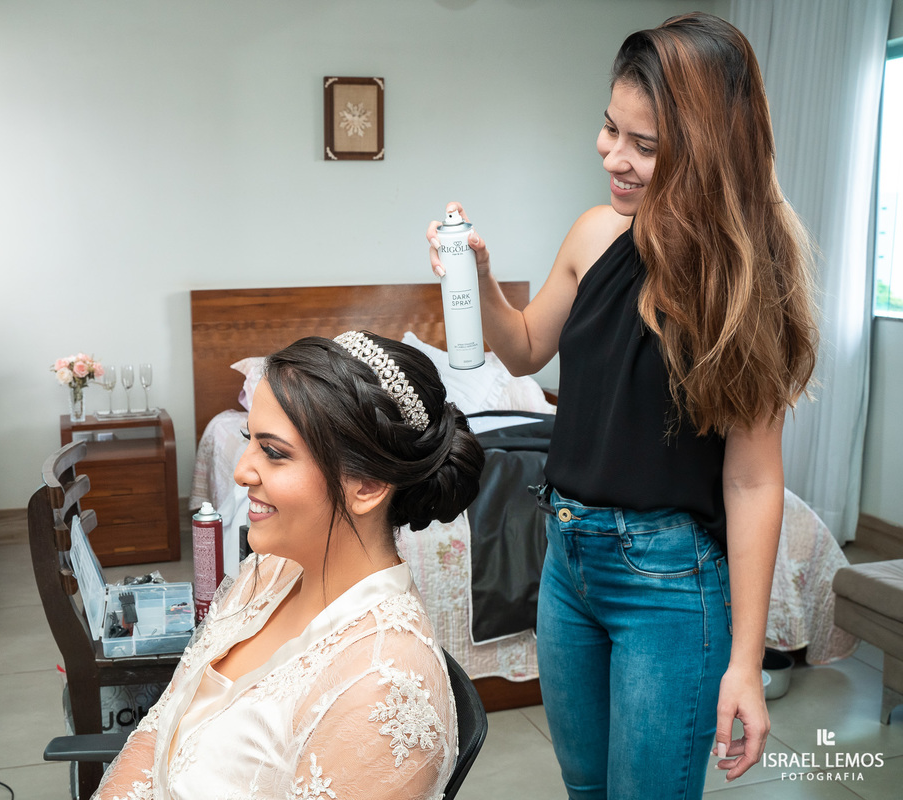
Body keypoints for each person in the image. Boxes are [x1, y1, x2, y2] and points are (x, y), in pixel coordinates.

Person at [425, 12, 816, 800]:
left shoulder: (745, 288)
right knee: (586, 790)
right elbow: (528, 349)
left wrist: (745, 662)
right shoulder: (595, 233)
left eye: (645, 145)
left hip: (671, 585)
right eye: (611, 129)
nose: (613, 155)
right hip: (567, 562)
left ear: (706, 155)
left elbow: (752, 481)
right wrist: (483, 283)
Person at [94, 332, 485, 800]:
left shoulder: (381, 687)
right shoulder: (270, 572)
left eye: (274, 452)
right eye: (249, 440)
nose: (241, 471)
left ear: (367, 485)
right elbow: (161, 724)